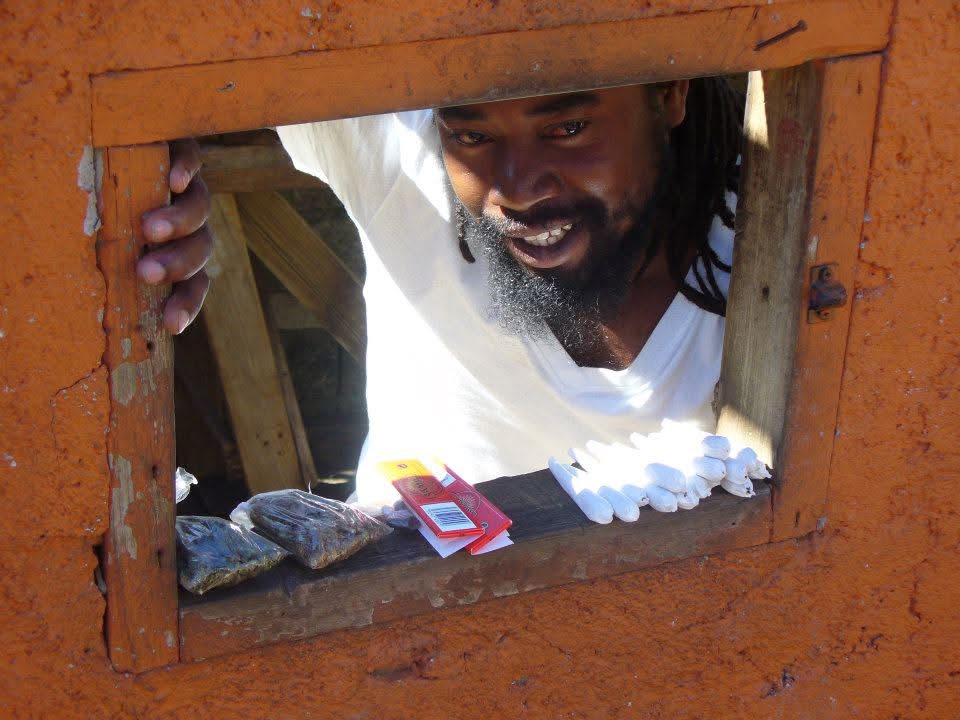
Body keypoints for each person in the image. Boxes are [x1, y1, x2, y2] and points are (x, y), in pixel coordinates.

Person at [139, 79, 743, 505]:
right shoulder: (397, 149)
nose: (518, 187)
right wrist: (158, 161)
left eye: (567, 128)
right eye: (473, 137)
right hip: (409, 619)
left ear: (668, 95)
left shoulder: (776, 244)